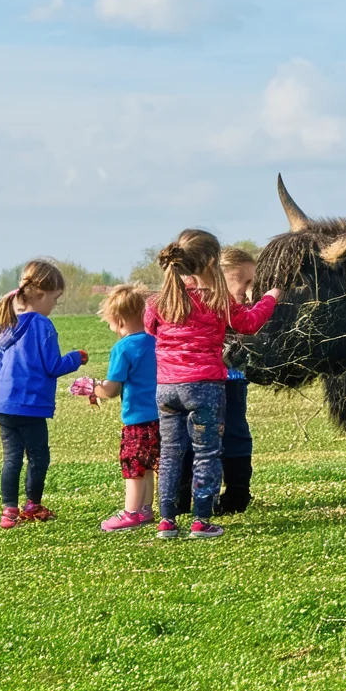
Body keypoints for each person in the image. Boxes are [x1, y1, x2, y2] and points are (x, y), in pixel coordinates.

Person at [146, 230, 279, 540]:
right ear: (208, 262)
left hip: (166, 387)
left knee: (169, 453)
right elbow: (249, 322)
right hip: (204, 386)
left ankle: (167, 520)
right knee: (207, 452)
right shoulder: (216, 300)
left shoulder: (157, 302)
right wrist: (270, 298)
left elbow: (153, 332)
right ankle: (201, 521)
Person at [0, 260, 88, 529]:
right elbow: (52, 366)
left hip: (4, 404)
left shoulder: (5, 321)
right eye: (55, 300)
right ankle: (32, 504)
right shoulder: (42, 325)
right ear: (40, 295)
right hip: (30, 405)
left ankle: (9, 511)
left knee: (11, 458)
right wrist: (76, 358)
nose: (54, 306)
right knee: (38, 456)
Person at [71, 283, 159, 532]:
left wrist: (93, 387)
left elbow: (112, 389)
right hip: (161, 416)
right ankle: (146, 509)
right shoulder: (155, 341)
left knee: (134, 466)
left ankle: (131, 513)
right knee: (150, 465)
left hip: (136, 420)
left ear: (119, 320)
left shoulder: (123, 348)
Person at [178, 247, 259, 516]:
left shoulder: (239, 312)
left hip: (233, 380)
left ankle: (237, 492)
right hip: (199, 382)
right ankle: (184, 493)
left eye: (253, 283)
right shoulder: (199, 307)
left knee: (235, 431)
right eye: (244, 283)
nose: (249, 292)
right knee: (191, 435)